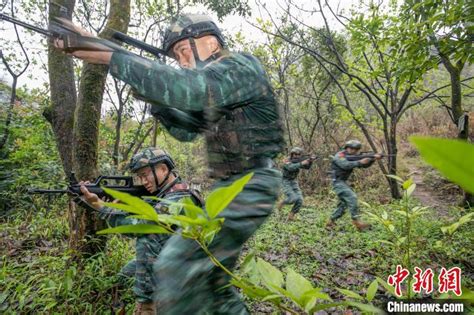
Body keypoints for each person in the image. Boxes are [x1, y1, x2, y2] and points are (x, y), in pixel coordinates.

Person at [56, 13, 285, 314]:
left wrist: (108, 54)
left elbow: (189, 88)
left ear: (211, 42)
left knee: (177, 265)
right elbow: (187, 131)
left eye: (184, 51)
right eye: (177, 57)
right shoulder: (216, 89)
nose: (182, 62)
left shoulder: (241, 67)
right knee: (211, 280)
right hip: (228, 187)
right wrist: (156, 99)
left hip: (252, 182)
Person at [80, 148, 201, 315]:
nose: (143, 181)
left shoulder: (180, 198)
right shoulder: (165, 193)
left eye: (145, 175)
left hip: (190, 269)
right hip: (174, 260)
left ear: (163, 169)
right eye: (140, 177)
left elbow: (141, 226)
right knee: (124, 276)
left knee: (147, 237)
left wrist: (103, 207)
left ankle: (147, 306)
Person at [326, 140, 381, 231]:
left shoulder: (353, 157)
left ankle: (330, 222)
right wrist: (360, 162)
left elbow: (364, 166)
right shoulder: (340, 155)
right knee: (352, 197)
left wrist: (372, 159)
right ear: (346, 147)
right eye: (351, 148)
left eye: (356, 149)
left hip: (343, 182)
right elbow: (345, 165)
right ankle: (357, 221)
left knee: (343, 205)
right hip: (338, 182)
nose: (353, 151)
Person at [277, 147, 314, 220]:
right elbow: (291, 168)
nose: (296, 156)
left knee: (300, 199)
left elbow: (307, 167)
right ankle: (282, 203)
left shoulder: (299, 161)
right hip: (285, 181)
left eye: (298, 154)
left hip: (293, 181)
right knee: (292, 198)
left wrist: (310, 161)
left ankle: (291, 216)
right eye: (294, 154)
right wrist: (301, 163)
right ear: (291, 154)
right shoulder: (286, 160)